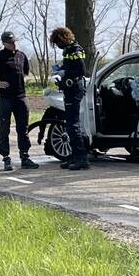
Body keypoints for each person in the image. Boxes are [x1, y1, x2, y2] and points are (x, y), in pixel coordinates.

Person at [0, 31, 38, 171]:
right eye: (10, 43)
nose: (13, 44)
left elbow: (26, 72)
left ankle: (25, 157)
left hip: (21, 98)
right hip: (5, 99)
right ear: (4, 43)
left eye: (15, 41)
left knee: (23, 129)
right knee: (4, 129)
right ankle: (6, 158)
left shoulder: (22, 55)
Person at [49, 26, 90, 171]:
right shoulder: (68, 50)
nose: (57, 46)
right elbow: (70, 65)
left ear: (62, 39)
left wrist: (65, 72)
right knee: (69, 124)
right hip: (70, 89)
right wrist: (60, 70)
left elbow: (81, 70)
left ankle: (81, 159)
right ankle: (74, 156)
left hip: (74, 88)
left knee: (73, 125)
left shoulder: (75, 50)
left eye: (57, 43)